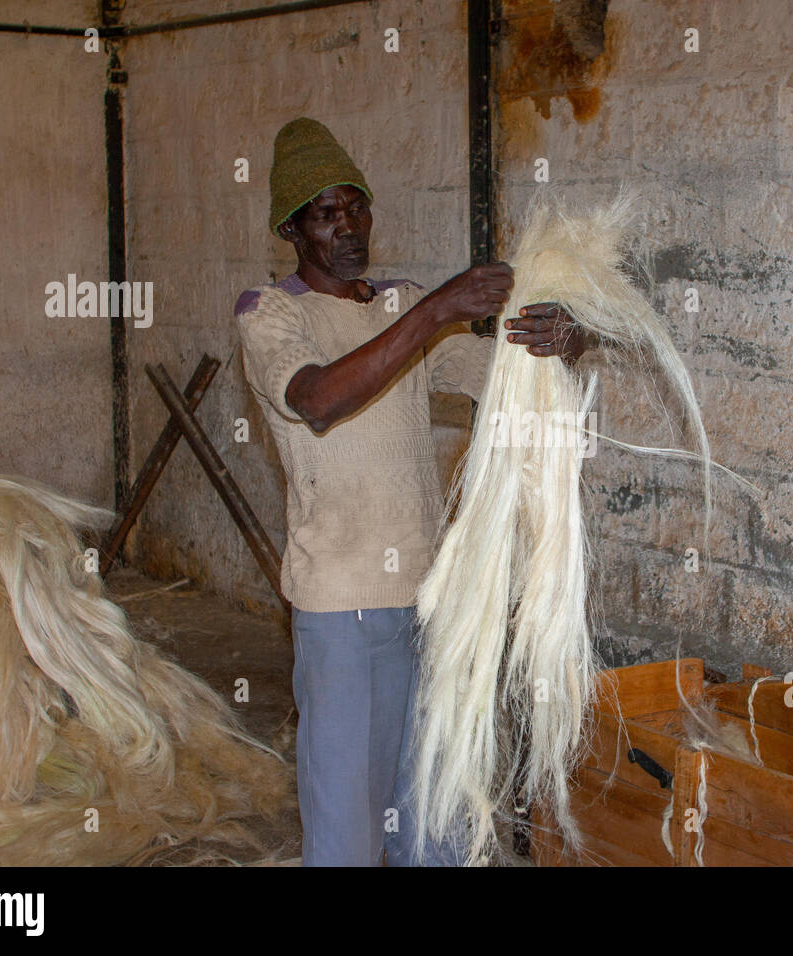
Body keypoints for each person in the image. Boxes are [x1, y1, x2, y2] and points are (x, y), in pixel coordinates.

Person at [235, 117, 588, 866]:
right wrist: (433, 312)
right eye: (326, 214)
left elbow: (507, 378)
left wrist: (567, 337)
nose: (349, 226)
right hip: (340, 610)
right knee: (348, 830)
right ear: (292, 230)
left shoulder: (402, 301)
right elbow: (319, 400)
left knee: (435, 820)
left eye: (356, 206)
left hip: (428, 603)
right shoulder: (271, 314)